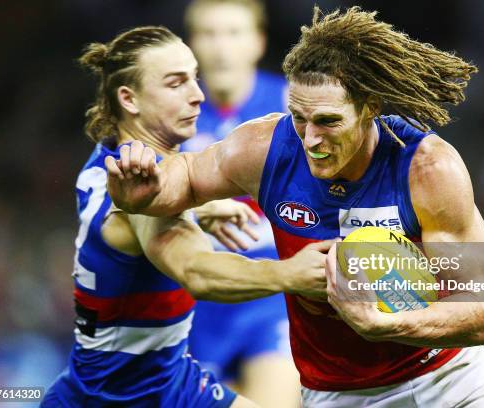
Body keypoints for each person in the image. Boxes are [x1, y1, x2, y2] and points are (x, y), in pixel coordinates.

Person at [106, 7, 484, 407]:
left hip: (450, 384)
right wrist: (141, 190)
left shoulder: (427, 169)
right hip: (337, 395)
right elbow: (185, 178)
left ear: (369, 108)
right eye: (299, 118)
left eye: (328, 121)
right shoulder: (264, 150)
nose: (311, 139)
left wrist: (384, 324)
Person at [42, 26, 333, 407]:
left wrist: (201, 207)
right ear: (129, 99)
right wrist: (291, 273)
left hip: (165, 378)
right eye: (176, 83)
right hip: (124, 396)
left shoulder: (109, 159)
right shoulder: (142, 193)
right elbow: (196, 271)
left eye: (195, 78)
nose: (198, 96)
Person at [181, 0, 298, 405]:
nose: (221, 48)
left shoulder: (294, 111)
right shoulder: (171, 118)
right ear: (191, 45)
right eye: (208, 34)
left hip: (271, 301)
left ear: (258, 41)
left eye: (233, 33)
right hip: (190, 302)